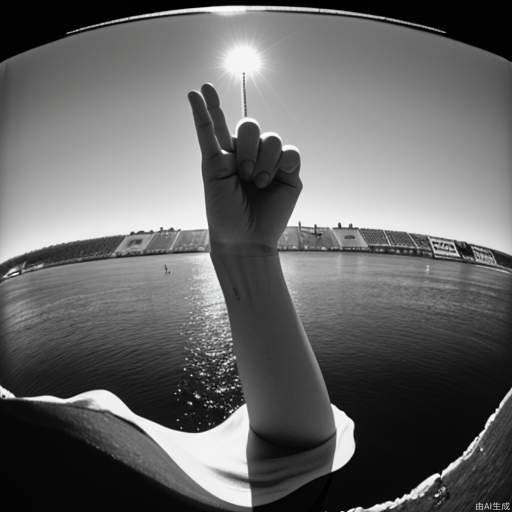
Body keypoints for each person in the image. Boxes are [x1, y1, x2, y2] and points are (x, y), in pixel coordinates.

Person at [0, 83, 355, 510]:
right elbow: (299, 460)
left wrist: (245, 254)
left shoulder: (38, 442)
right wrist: (247, 257)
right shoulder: (51, 443)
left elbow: (297, 458)